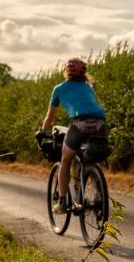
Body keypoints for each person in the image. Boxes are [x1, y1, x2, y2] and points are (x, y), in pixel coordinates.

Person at [37, 58, 107, 214]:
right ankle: (100, 197)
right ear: (84, 73)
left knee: (65, 159)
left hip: (79, 123)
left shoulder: (59, 89)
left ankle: (62, 202)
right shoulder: (88, 87)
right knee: (91, 159)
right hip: (100, 121)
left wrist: (42, 131)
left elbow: (50, 116)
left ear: (66, 72)